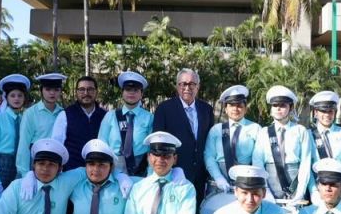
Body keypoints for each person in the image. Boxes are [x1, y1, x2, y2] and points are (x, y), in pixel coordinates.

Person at [152, 68, 214, 204]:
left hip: (199, 175)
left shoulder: (206, 109)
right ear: (177, 86)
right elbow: (158, 143)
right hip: (174, 173)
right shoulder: (164, 109)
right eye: (183, 84)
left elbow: (209, 142)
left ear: (197, 87)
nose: (187, 87)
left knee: (196, 211)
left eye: (192, 84)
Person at [251, 86, 313, 204]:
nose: (278, 108)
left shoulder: (300, 130)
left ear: (291, 108)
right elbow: (258, 162)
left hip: (295, 183)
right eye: (275, 105)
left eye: (283, 105)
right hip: (270, 184)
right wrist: (265, 189)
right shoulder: (264, 132)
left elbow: (305, 162)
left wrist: (301, 190)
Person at [203, 85, 260, 193]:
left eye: (239, 105)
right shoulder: (216, 130)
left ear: (245, 109)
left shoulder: (255, 128)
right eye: (231, 105)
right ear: (225, 109)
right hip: (218, 183)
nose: (235, 109)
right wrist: (218, 177)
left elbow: (258, 158)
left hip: (245, 182)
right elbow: (209, 156)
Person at [98, 72, 153, 177]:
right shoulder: (110, 116)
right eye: (128, 89)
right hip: (113, 170)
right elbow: (101, 145)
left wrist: (150, 175)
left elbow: (152, 149)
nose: (131, 93)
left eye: (135, 90)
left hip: (140, 171)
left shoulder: (149, 118)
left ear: (141, 94)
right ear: (122, 93)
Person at [307, 90, 341, 205]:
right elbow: (307, 167)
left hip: (339, 188)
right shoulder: (308, 134)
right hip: (319, 188)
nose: (327, 115)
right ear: (316, 112)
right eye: (323, 111)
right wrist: (314, 191)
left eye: (330, 111)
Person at [16, 73, 66, 177]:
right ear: (41, 90)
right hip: (36, 162)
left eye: (56, 90)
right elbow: (24, 145)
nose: (52, 93)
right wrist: (25, 173)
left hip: (56, 162)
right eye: (48, 89)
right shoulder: (30, 113)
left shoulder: (64, 113)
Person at [52, 75, 107, 171]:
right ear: (76, 92)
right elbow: (56, 146)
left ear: (96, 91)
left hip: (98, 172)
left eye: (90, 89)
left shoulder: (105, 116)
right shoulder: (65, 115)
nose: (86, 93)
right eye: (82, 89)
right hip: (72, 172)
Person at [0, 74, 31, 188]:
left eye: (20, 95)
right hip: (3, 165)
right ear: (6, 98)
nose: (16, 99)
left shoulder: (26, 119)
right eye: (12, 95)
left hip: (22, 164)